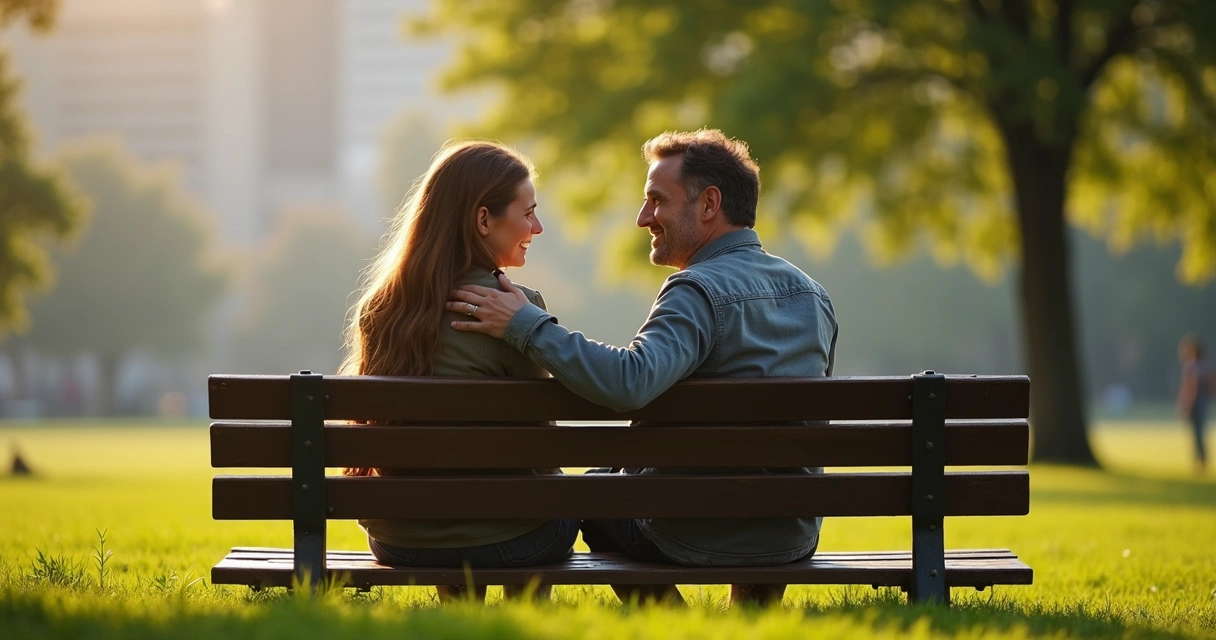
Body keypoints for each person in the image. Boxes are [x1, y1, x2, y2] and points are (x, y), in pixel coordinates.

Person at [447, 129, 839, 606]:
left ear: (709, 204)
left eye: (657, 201)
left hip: (690, 533)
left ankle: (675, 624)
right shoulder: (812, 296)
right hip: (790, 536)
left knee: (596, 493)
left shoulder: (696, 291)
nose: (642, 218)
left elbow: (631, 383)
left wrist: (528, 326)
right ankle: (752, 618)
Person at [341, 141, 578, 602]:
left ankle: (458, 615)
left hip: (401, 541)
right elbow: (541, 442)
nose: (537, 226)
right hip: (515, 541)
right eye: (527, 212)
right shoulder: (516, 311)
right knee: (543, 507)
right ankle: (528, 622)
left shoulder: (380, 309)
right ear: (483, 220)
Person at [1176, 334, 1210, 473]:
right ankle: (1201, 459)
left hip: (1196, 402)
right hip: (1203, 401)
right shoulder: (1204, 365)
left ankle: (1199, 461)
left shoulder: (1191, 366)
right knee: (1199, 431)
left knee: (1197, 433)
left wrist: (1186, 404)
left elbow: (1190, 387)